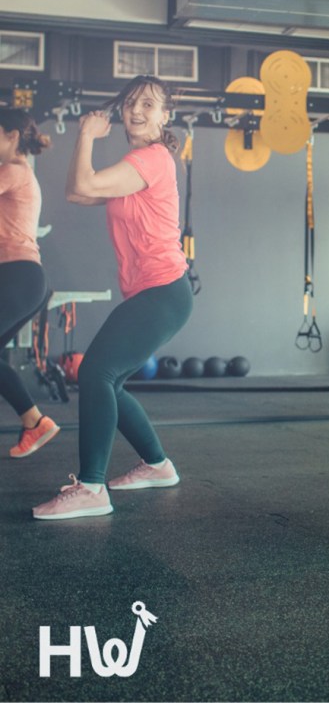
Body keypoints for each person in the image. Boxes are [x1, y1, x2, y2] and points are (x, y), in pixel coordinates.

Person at [33, 75, 193, 520]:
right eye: (129, 104)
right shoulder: (136, 162)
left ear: (165, 116)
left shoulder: (153, 158)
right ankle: (158, 465)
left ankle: (91, 488)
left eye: (147, 104)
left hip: (164, 291)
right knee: (109, 380)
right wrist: (84, 141)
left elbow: (83, 183)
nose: (136, 111)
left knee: (97, 372)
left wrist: (85, 134)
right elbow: (75, 190)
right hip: (152, 292)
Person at [0, 108, 60, 458]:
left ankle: (36, 422)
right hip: (19, 278)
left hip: (19, 277)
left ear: (11, 136)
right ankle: (34, 422)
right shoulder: (14, 174)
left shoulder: (13, 171)